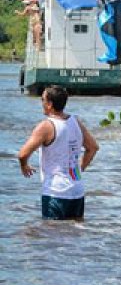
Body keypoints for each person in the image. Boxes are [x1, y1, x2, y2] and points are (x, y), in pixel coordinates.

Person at [18, 85, 99, 220]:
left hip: (56, 192)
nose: (41, 103)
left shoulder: (46, 126)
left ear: (50, 104)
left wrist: (24, 165)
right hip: (77, 190)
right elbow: (93, 148)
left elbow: (22, 154)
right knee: (74, 230)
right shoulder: (75, 121)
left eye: (42, 100)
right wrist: (79, 169)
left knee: (51, 231)